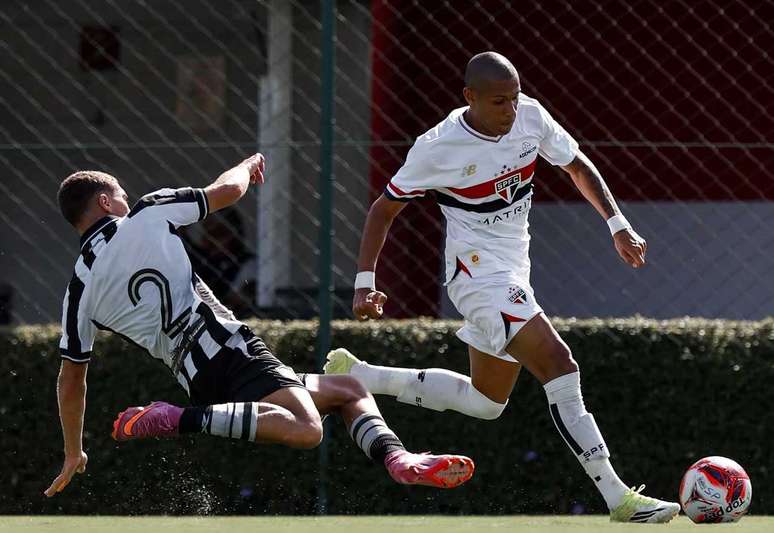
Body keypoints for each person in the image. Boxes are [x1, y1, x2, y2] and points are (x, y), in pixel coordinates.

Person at [324, 52, 680, 523]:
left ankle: (361, 375)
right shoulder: (438, 147)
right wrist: (364, 282)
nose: (510, 111)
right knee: (558, 362)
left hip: (514, 272)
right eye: (498, 102)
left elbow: (577, 165)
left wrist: (617, 223)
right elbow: (384, 209)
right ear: (469, 97)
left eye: (514, 98)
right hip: (475, 276)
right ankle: (618, 498)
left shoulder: (530, 116)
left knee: (487, 401)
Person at [44, 154, 474, 498]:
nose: (126, 198)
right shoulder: (146, 214)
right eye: (119, 194)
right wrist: (247, 167)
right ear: (104, 203)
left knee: (348, 391)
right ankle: (175, 419)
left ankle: (400, 462)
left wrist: (72, 451)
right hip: (229, 348)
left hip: (196, 377)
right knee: (308, 431)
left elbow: (71, 379)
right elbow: (225, 191)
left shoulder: (78, 290)